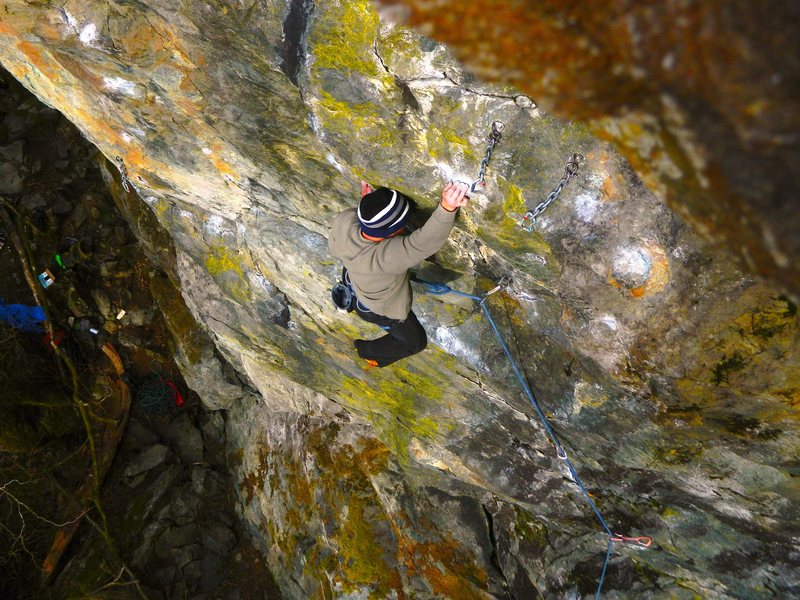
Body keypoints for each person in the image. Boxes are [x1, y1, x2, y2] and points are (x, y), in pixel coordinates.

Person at [328, 180, 470, 367]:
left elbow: (365, 215)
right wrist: (447, 207)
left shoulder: (344, 220)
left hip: (353, 275)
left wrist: (371, 201)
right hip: (374, 308)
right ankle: (366, 351)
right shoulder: (386, 258)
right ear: (392, 233)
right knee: (415, 343)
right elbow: (424, 242)